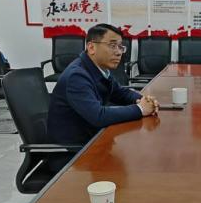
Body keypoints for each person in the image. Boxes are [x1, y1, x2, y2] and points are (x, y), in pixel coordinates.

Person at [47, 24, 159, 153]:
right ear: (91, 47)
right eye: (112, 45)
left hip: (92, 139)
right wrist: (140, 109)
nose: (118, 52)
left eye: (120, 47)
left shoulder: (98, 69)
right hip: (73, 152)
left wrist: (144, 99)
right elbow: (98, 116)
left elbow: (119, 93)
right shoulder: (77, 76)